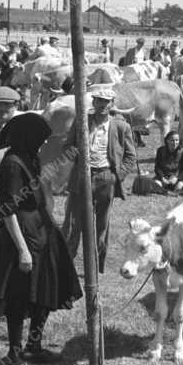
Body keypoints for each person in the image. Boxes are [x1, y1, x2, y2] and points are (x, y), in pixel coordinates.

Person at [0, 112, 82, 365]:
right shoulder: (12, 165)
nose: (42, 144)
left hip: (42, 233)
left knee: (45, 290)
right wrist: (22, 250)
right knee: (19, 296)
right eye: (39, 139)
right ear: (27, 137)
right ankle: (14, 355)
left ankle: (34, 344)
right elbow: (7, 210)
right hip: (22, 236)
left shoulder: (30, 158)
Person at [63, 84, 137, 272]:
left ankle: (96, 266)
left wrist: (117, 175)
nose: (102, 105)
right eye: (99, 101)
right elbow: (67, 146)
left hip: (106, 177)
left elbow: (130, 156)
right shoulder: (82, 122)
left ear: (112, 104)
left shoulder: (121, 126)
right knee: (74, 222)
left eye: (106, 101)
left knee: (102, 224)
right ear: (93, 102)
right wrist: (75, 153)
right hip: (82, 176)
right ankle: (67, 266)